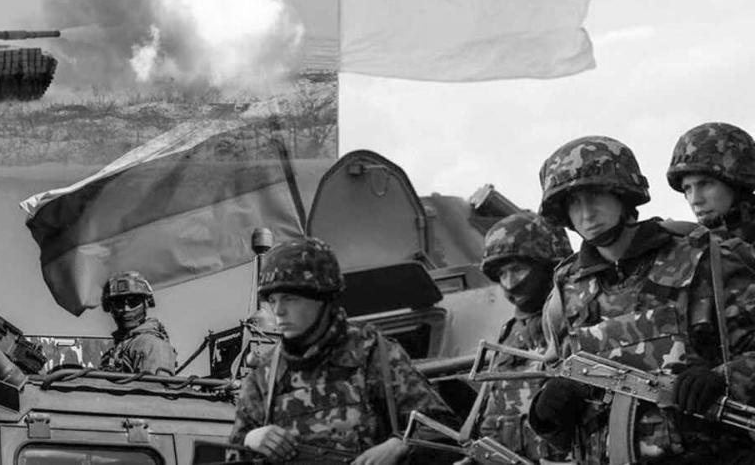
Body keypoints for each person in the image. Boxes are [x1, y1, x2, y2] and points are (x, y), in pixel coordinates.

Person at [528, 135, 755, 464]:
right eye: (574, 203)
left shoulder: (704, 258)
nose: (586, 213)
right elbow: (561, 425)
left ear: (622, 194)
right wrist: (547, 413)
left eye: (595, 196)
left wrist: (725, 378)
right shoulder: (565, 292)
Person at [229, 237, 460, 464]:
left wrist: (400, 445)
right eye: (272, 300)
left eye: (289, 298)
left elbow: (442, 429)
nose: (278, 311)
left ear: (321, 298)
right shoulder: (265, 376)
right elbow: (231, 454)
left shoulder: (372, 354)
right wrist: (250, 440)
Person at [472, 212, 572, 464]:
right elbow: (494, 417)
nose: (509, 283)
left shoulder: (579, 319)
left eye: (518, 269)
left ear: (549, 266)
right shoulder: (510, 334)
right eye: (501, 274)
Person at [667, 122, 755, 244]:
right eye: (687, 188)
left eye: (705, 184)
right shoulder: (691, 246)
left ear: (737, 185)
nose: (695, 200)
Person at [97, 271, 177, 375]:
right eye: (119, 303)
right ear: (110, 308)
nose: (126, 309)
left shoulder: (151, 345)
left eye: (133, 302)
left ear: (146, 304)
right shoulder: (120, 347)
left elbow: (157, 384)